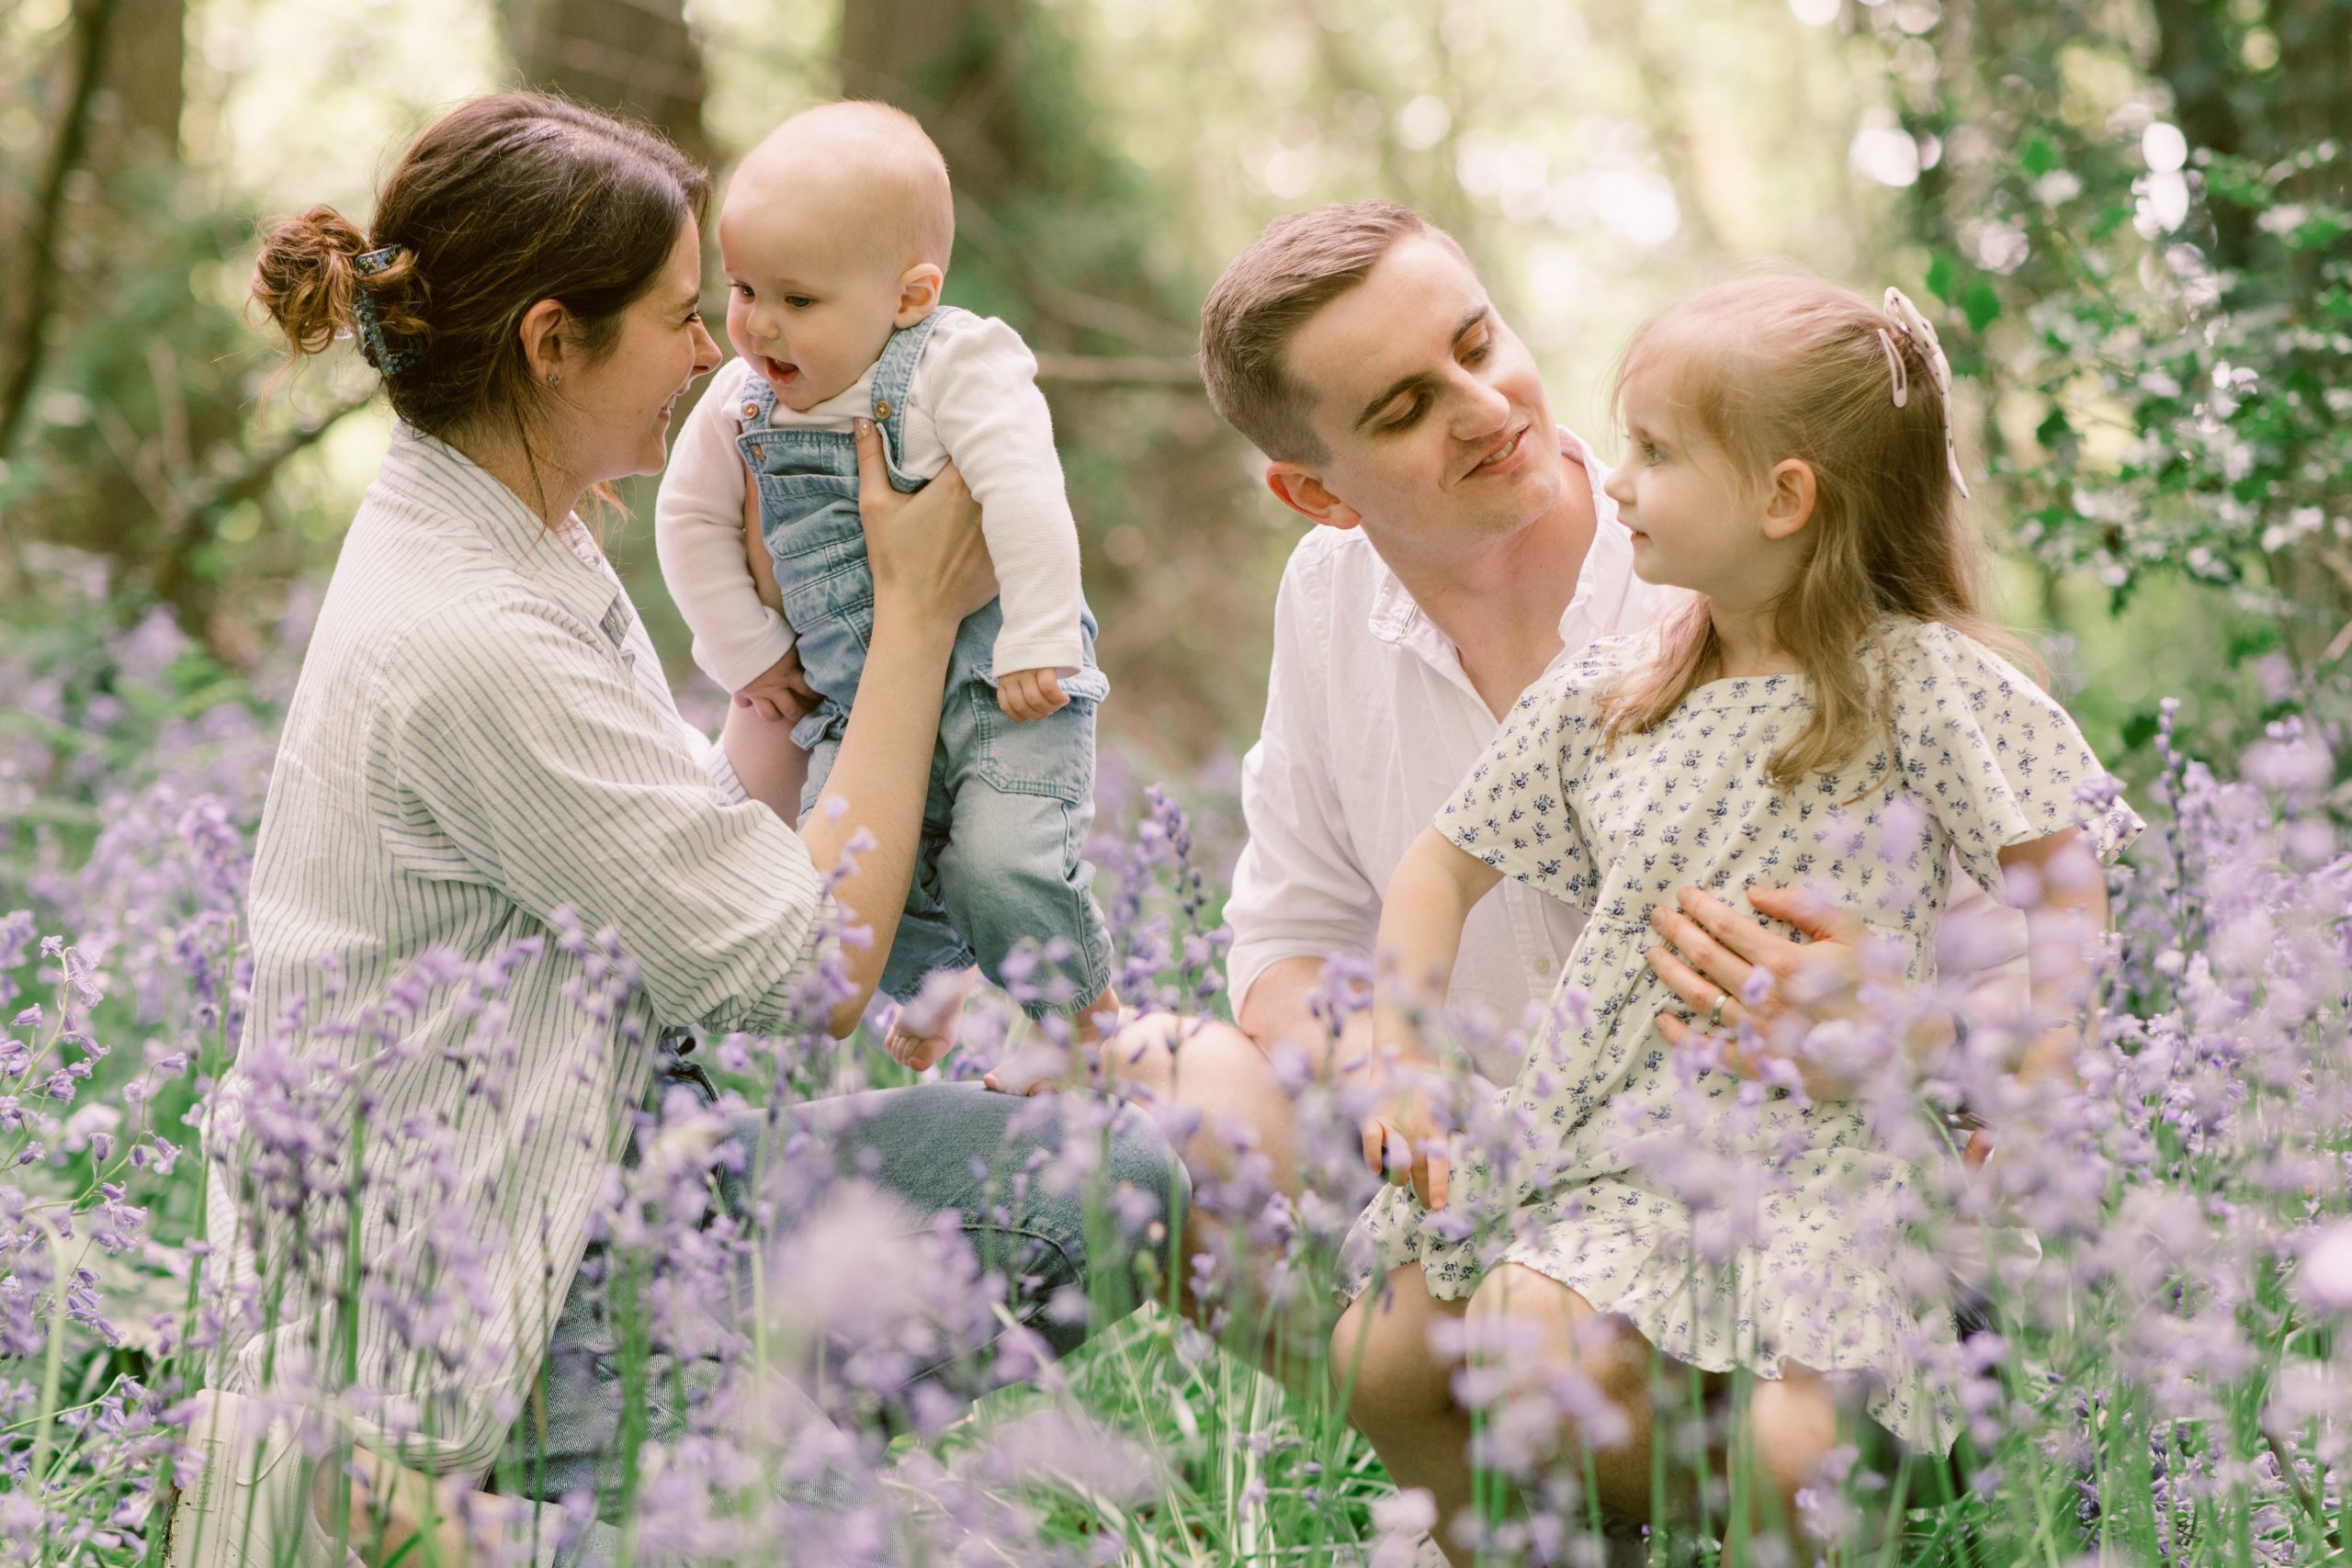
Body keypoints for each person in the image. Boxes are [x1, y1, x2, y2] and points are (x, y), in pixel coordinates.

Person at [165, 93, 1179, 1568]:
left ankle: (726, 1475)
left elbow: (699, 859)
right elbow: (801, 973)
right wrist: (909, 616)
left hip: (628, 1162)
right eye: (683, 314)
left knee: (1117, 1185)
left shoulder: (519, 527)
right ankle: (448, 1508)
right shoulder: (468, 628)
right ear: (551, 340)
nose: (718, 351)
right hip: (498, 1289)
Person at [1335, 272, 2143, 1560]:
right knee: (1385, 1355)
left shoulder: (1918, 682)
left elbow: (2065, 878)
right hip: (1606, 1141)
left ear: (1784, 497)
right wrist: (1401, 1051)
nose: (1617, 479)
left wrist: (2027, 1083)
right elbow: (1437, 869)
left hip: (1825, 1166)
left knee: (1783, 1449)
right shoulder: (1607, 696)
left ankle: (1759, 1503)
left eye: (1655, 451)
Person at [656, 101, 1117, 1072]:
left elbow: (1025, 492)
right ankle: (938, 990)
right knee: (862, 884)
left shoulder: (957, 364)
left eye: (799, 300)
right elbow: (688, 519)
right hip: (854, 701)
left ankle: (1079, 1010)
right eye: (741, 289)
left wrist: (1041, 636)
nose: (759, 326)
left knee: (1002, 865)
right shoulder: (739, 399)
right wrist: (753, 652)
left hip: (1003, 682)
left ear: (909, 297)